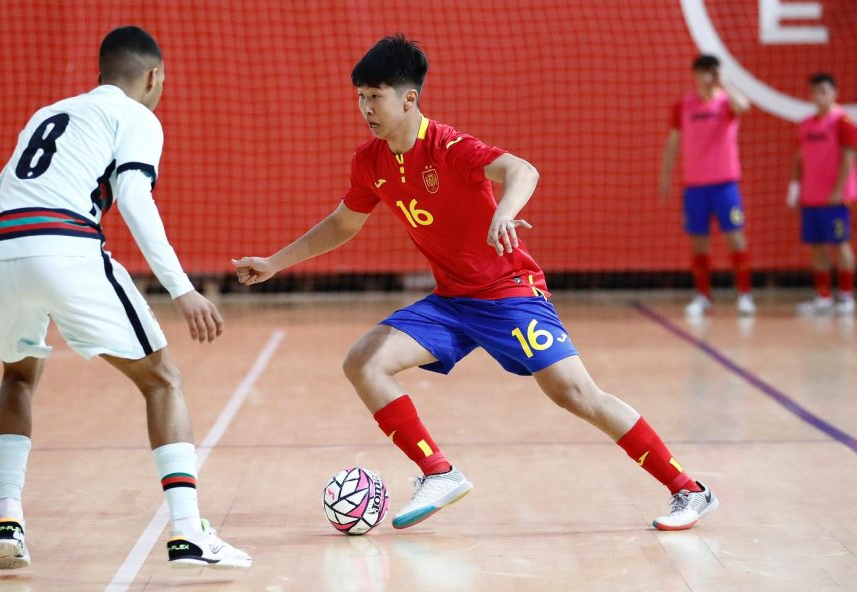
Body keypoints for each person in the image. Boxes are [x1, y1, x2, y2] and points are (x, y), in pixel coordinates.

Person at [233, 34, 717, 531]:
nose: (365, 108)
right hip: (453, 300)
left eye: (374, 97)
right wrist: (275, 261)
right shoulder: (370, 161)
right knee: (364, 361)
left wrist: (505, 213)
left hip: (509, 292)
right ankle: (437, 471)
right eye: (359, 96)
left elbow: (521, 170)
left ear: (409, 98)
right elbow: (341, 224)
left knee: (576, 394)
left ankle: (688, 489)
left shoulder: (448, 146)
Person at [0, 26, 250, 570]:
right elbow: (135, 199)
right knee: (162, 379)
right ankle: (189, 531)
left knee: (17, 376)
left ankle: (8, 517)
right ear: (153, 77)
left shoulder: (48, 114)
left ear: (102, 73)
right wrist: (183, 289)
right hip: (64, 244)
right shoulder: (138, 117)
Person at [659, 54, 755, 317]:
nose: (707, 76)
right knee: (699, 243)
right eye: (703, 71)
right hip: (695, 187)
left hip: (725, 185)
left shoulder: (726, 102)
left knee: (735, 238)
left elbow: (743, 107)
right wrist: (665, 175)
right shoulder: (685, 105)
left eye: (711, 71)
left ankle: (744, 295)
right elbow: (673, 142)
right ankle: (703, 296)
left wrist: (723, 81)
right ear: (695, 74)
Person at [787, 72, 856, 315]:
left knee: (841, 243)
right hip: (811, 197)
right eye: (815, 92)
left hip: (835, 198)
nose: (819, 96)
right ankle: (823, 296)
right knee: (817, 246)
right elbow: (799, 158)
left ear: (834, 93)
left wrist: (838, 190)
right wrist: (795, 189)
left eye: (824, 91)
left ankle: (846, 295)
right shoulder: (806, 124)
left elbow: (849, 157)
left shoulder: (843, 121)